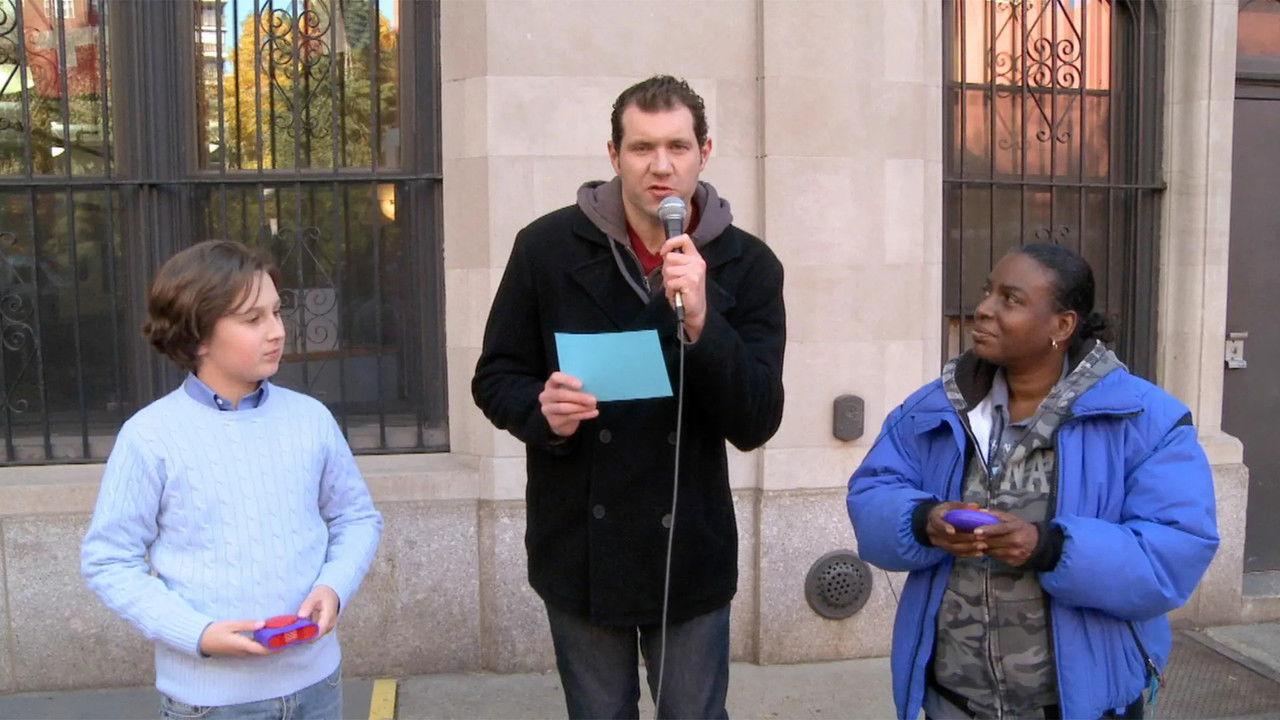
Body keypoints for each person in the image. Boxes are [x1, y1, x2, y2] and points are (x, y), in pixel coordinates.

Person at [472, 75, 785, 719]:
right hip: (581, 544)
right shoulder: (546, 248)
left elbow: (757, 419)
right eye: (642, 148)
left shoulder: (749, 265)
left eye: (678, 146)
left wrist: (703, 321)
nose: (662, 166)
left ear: (706, 151)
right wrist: (540, 409)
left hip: (688, 546)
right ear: (614, 155)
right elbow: (496, 375)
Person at [846, 243, 1218, 720]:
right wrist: (922, 521)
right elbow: (872, 491)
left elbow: (1173, 555)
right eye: (988, 292)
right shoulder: (934, 408)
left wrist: (1049, 548)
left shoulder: (1145, 421)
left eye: (1011, 299)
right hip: (953, 701)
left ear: (1062, 325)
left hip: (1077, 705)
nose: (983, 309)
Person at [81, 240, 383, 720]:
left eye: (276, 313)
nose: (276, 332)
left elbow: (357, 516)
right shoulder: (149, 437)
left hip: (317, 684)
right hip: (210, 701)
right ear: (198, 335)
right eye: (252, 319)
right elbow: (108, 560)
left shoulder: (311, 418)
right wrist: (195, 633)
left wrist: (335, 585)